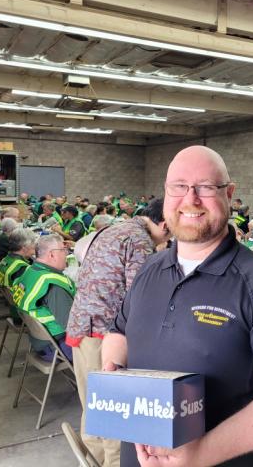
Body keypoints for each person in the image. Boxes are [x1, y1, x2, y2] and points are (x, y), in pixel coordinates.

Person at [102, 146, 253, 467]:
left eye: (205, 187)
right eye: (178, 186)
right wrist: (113, 371)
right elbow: (120, 333)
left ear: (229, 193)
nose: (190, 199)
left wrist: (200, 454)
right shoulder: (150, 269)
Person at [66, 199, 171, 467]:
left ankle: (91, 462)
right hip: (104, 334)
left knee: (94, 407)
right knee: (114, 412)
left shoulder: (115, 229)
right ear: (164, 225)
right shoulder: (139, 242)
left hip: (84, 327)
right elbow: (142, 296)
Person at [11, 234, 74, 361]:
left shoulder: (29, 271)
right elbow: (73, 327)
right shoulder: (54, 286)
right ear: (52, 254)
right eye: (64, 250)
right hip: (55, 347)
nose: (66, 254)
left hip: (38, 341)